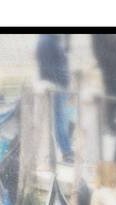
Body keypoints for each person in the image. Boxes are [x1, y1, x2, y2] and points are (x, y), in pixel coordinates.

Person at [37, 33, 73, 162]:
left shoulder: (52, 39)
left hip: (60, 85)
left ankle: (66, 150)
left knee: (62, 119)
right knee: (60, 120)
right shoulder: (48, 40)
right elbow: (48, 66)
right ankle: (66, 152)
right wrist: (60, 83)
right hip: (57, 86)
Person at [92, 33, 116, 158]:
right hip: (110, 68)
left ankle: (114, 124)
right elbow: (105, 45)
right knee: (113, 96)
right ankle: (112, 125)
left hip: (114, 67)